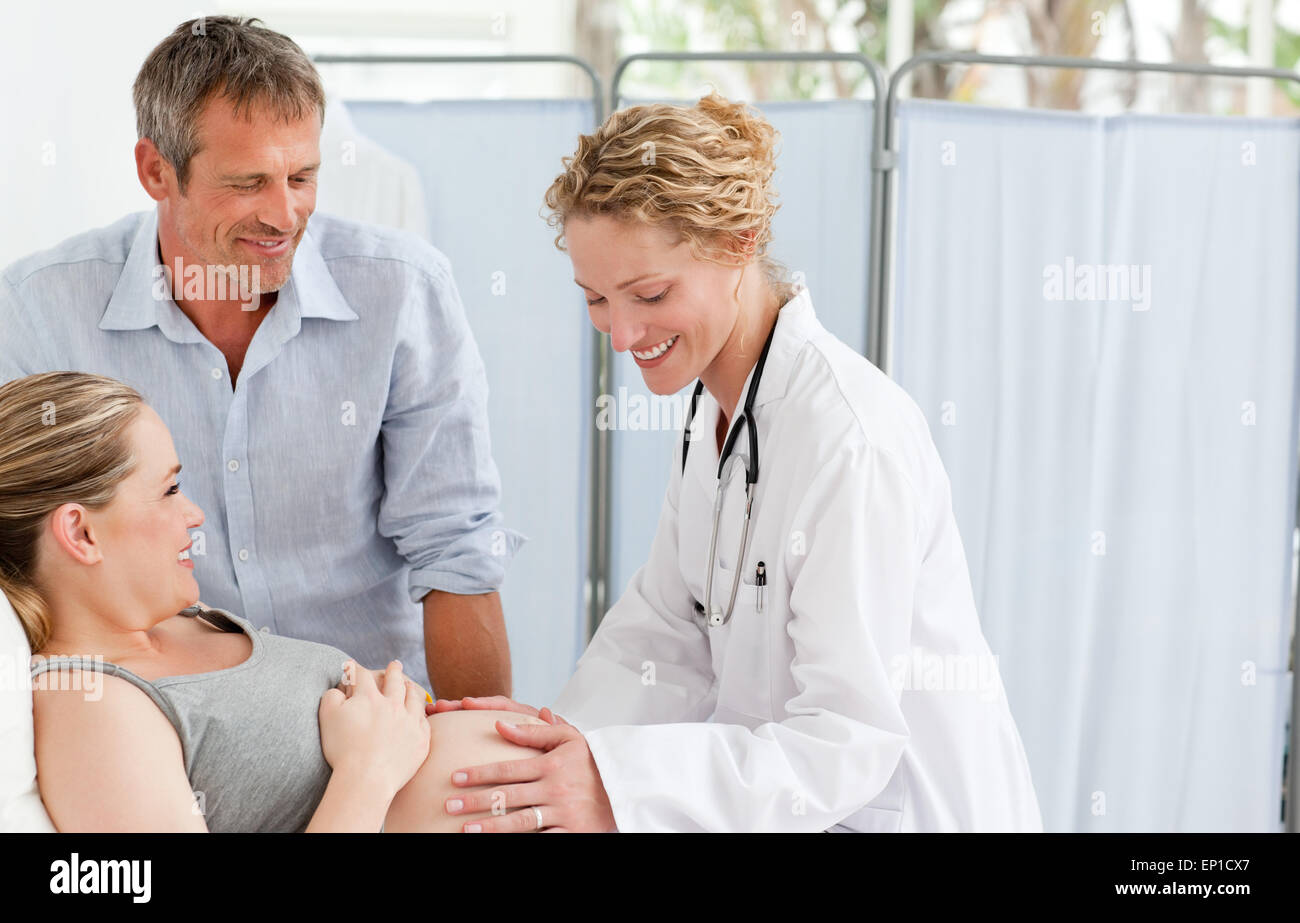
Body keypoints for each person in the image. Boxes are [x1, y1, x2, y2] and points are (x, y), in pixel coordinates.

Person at [431, 93, 1044, 833]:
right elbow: (666, 628)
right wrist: (557, 745)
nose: (621, 335)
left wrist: (616, 788)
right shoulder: (715, 413)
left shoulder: (848, 437)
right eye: (595, 298)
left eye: (649, 293)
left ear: (738, 243)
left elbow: (847, 741)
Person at [0, 16, 522, 699]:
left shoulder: (402, 290)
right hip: (173, 720)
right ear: (156, 170)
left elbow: (455, 548)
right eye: (248, 183)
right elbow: (25, 556)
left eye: (302, 176)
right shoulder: (40, 307)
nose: (284, 216)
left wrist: (477, 747)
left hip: (380, 712)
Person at [0, 371, 547, 833]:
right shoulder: (91, 705)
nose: (194, 515)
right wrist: (370, 767)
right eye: (169, 491)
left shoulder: (185, 623)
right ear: (81, 533)